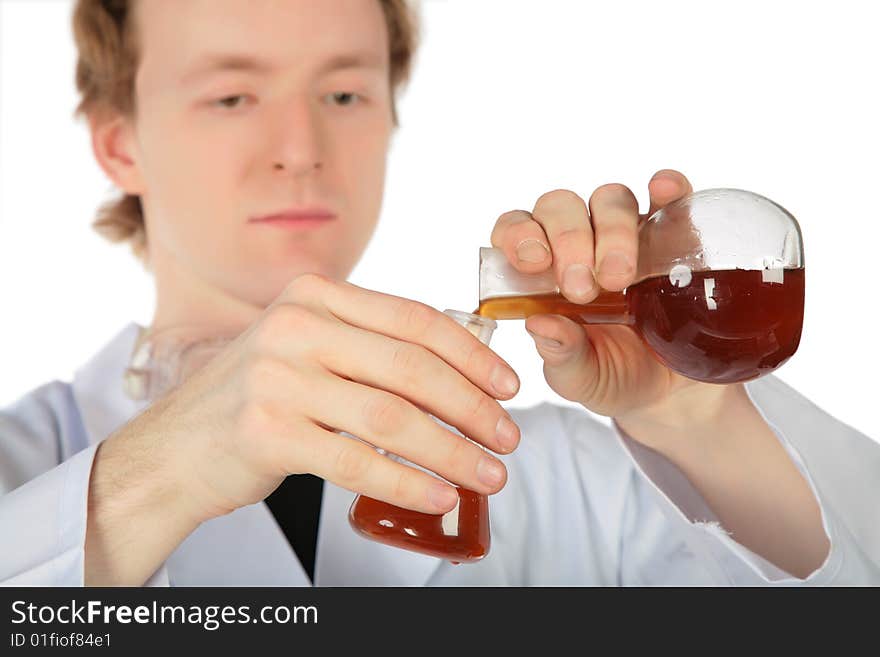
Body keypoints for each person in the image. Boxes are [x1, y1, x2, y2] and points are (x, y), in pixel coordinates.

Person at [1, 0, 877, 587]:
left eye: (344, 91)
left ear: (387, 116)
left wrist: (694, 419)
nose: (301, 145)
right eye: (232, 95)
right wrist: (152, 480)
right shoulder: (26, 466)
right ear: (119, 146)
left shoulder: (570, 480)